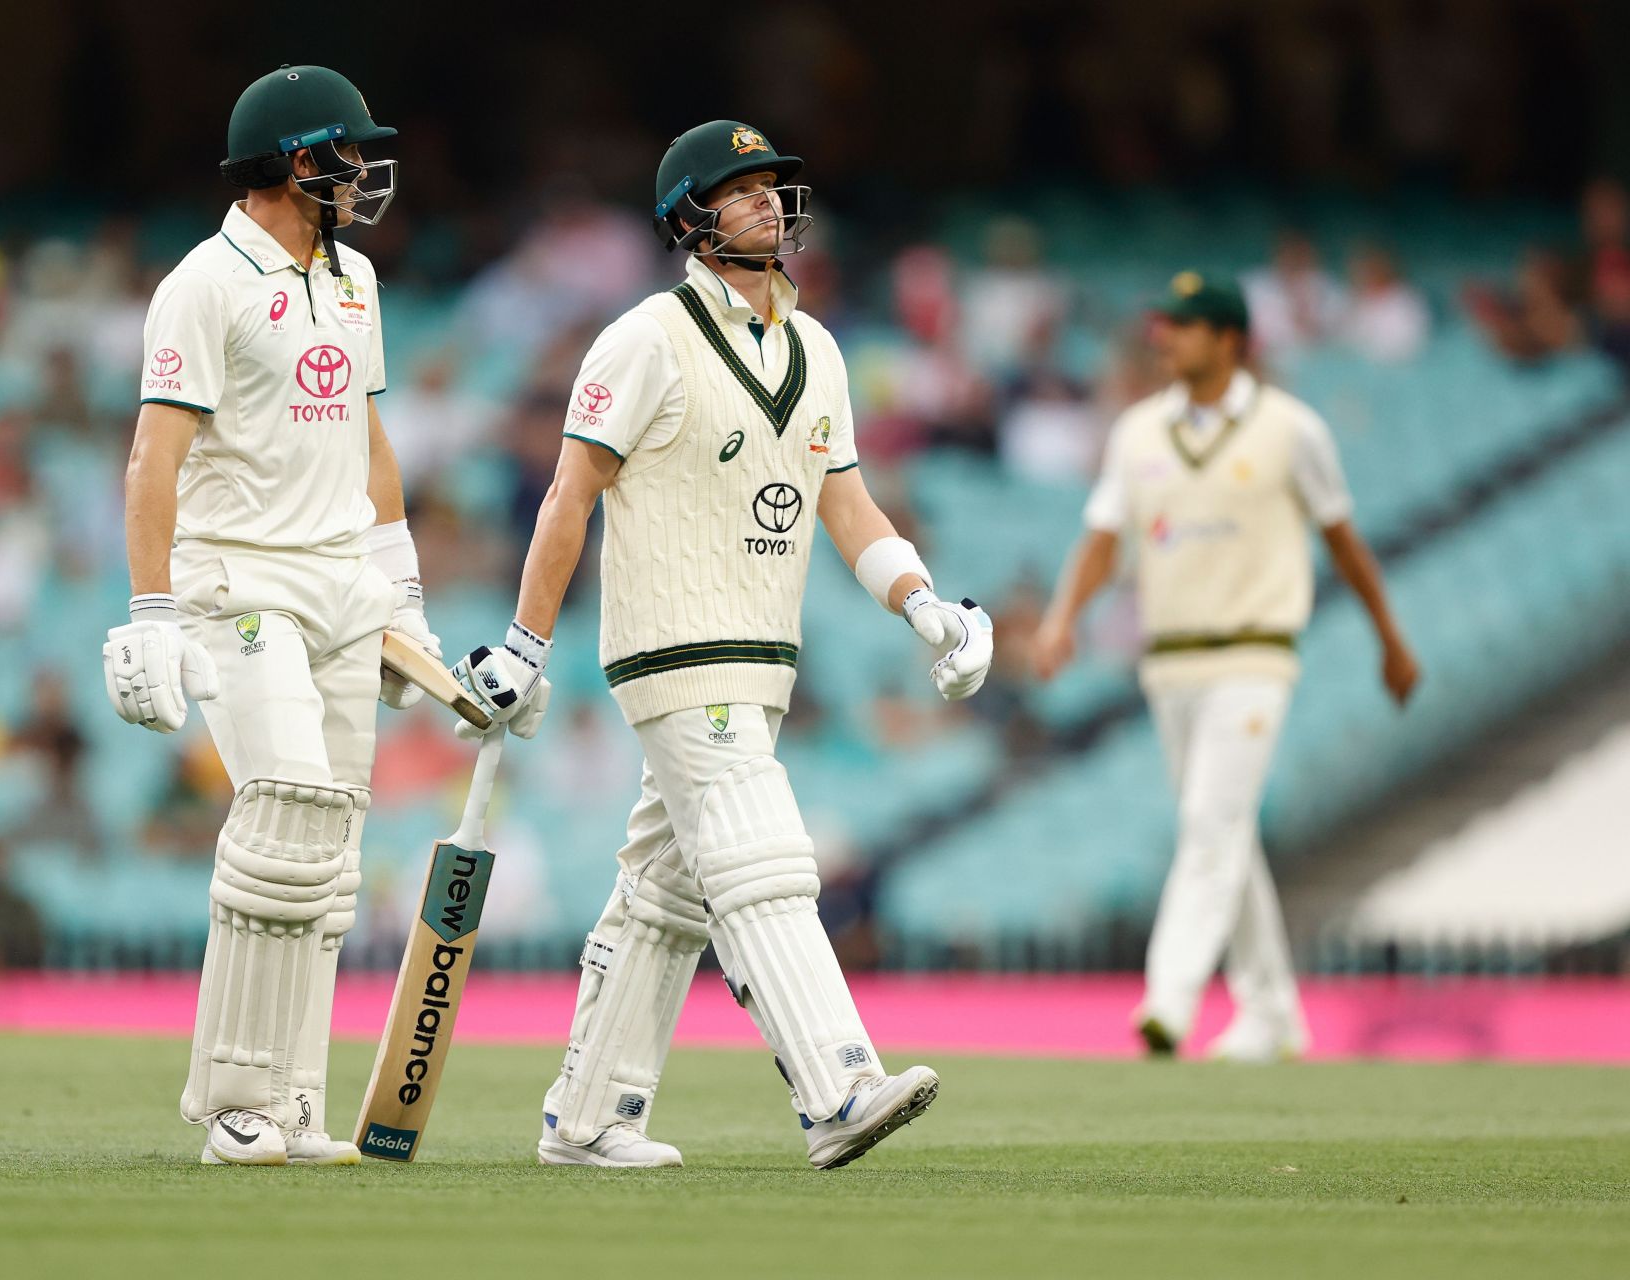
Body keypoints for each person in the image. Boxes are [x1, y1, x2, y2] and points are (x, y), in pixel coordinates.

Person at [451, 121, 994, 1169]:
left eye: (774, 188)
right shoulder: (645, 337)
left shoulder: (819, 349)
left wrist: (927, 604)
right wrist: (526, 642)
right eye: (742, 191)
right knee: (763, 856)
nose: (769, 206)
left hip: (763, 655)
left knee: (664, 891)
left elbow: (849, 504)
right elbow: (572, 491)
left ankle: (588, 1115)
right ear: (691, 218)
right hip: (672, 645)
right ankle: (837, 1088)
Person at [102, 65, 435, 1167]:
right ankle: (236, 1101)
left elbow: (371, 445)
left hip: (342, 577)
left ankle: (293, 1101)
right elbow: (157, 450)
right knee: (285, 809)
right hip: (240, 577)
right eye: (350, 151)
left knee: (331, 853)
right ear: (300, 160)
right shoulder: (205, 281)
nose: (365, 172)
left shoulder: (354, 279)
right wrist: (152, 609)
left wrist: (406, 598)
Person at [1033, 273, 1421, 1063]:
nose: (1165, 339)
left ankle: (1167, 1001)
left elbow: (1342, 539)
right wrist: (1062, 618)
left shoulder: (1291, 429)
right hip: (1169, 662)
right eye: (1165, 325)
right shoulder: (1139, 431)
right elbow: (1105, 537)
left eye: (1184, 326)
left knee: (1210, 824)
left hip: (1255, 653)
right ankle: (1274, 1010)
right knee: (1226, 833)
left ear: (1231, 340)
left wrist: (1390, 635)